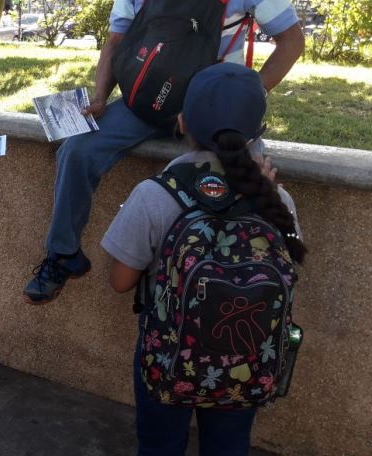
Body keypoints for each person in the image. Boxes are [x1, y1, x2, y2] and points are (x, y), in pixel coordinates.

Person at [23, 0, 305, 304]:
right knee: (77, 151)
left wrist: (248, 97)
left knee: (252, 181)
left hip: (215, 112)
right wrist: (99, 97)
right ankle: (63, 255)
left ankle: (255, 282)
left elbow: (291, 40)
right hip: (142, 101)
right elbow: (116, 40)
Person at [102, 63, 306, 455]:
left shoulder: (155, 194)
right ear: (257, 133)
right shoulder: (275, 199)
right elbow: (289, 269)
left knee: (160, 445)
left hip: (167, 355)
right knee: (229, 446)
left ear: (182, 122)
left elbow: (120, 281)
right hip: (245, 359)